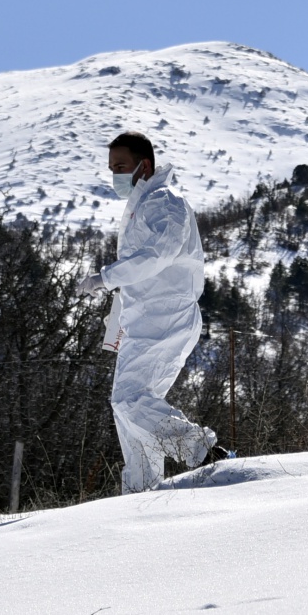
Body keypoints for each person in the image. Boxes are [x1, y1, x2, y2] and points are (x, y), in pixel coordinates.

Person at [77, 131, 219, 492]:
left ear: (145, 165)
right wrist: (120, 311)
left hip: (166, 315)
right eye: (111, 168)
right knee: (130, 408)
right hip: (145, 318)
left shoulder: (163, 200)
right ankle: (142, 490)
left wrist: (106, 277)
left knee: (127, 399)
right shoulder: (143, 204)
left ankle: (201, 450)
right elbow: (143, 269)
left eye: (121, 166)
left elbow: (158, 255)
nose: (116, 176)